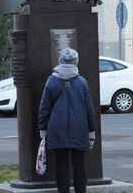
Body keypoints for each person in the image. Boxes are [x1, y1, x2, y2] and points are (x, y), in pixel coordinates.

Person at [38, 48, 95, 193]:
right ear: (76, 62)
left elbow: (44, 107)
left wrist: (43, 129)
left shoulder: (51, 80)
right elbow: (89, 109)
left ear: (60, 61)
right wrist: (91, 132)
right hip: (79, 128)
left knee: (61, 164)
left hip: (57, 128)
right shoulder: (81, 82)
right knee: (79, 163)